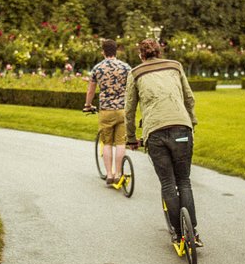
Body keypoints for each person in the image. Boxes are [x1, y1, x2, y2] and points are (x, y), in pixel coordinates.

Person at [124, 38, 202, 246]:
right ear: (159, 52)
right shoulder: (175, 66)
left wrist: (131, 138)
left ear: (141, 55)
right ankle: (193, 233)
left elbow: (129, 110)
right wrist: (191, 122)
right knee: (184, 181)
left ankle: (178, 234)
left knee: (168, 183)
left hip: (155, 133)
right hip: (181, 129)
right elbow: (189, 98)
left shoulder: (136, 73)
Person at [83, 39, 131, 184]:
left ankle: (109, 175)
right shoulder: (126, 67)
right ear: (116, 51)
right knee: (121, 143)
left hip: (106, 111)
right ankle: (118, 173)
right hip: (122, 109)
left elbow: (91, 90)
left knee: (107, 143)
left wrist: (87, 104)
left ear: (103, 52)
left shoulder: (98, 68)